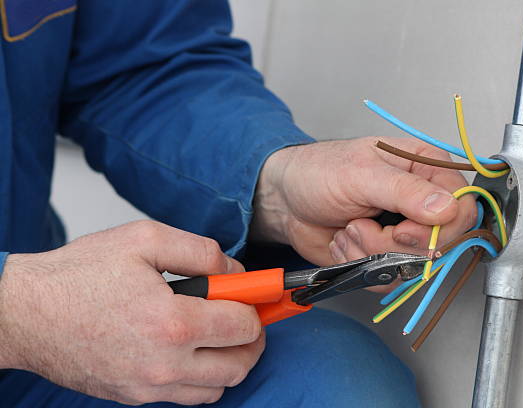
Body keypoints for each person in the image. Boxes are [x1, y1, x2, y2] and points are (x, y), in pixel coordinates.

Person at [0, 1, 475, 407]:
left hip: (40, 371)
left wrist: (277, 182)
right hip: (37, 329)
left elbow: (140, 64)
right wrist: (21, 313)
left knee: (327, 377)